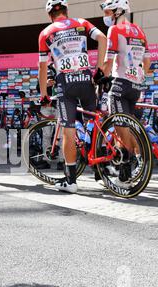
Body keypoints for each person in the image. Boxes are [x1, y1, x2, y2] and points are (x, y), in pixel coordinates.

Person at [38, 0, 107, 193]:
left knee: (68, 130)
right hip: (86, 80)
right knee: (93, 126)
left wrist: (44, 94)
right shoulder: (81, 22)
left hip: (65, 84)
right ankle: (101, 171)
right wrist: (100, 68)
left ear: (50, 14)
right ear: (66, 11)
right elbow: (102, 38)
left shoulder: (45, 33)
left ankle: (71, 181)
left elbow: (43, 67)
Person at [100, 0, 151, 188]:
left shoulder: (115, 29)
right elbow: (147, 63)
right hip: (136, 86)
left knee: (121, 131)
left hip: (120, 84)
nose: (105, 16)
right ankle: (134, 163)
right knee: (127, 128)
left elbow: (108, 60)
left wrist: (98, 78)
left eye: (107, 12)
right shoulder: (139, 30)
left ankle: (124, 178)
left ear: (117, 11)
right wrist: (137, 74)